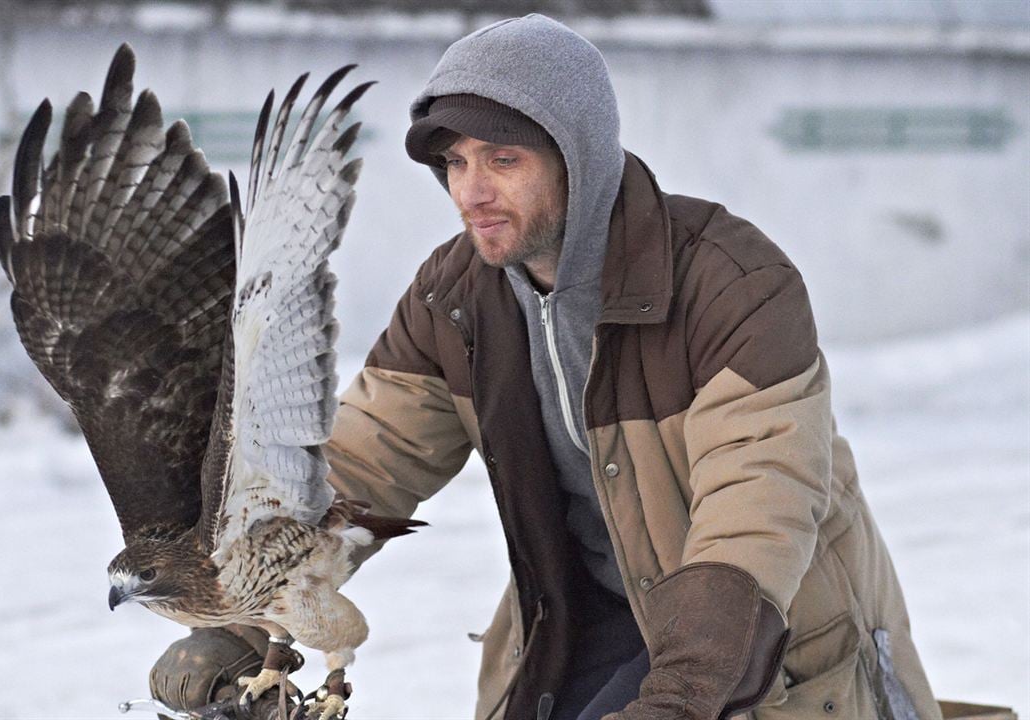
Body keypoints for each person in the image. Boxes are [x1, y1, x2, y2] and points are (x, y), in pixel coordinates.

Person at [150, 14, 941, 720]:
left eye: (502, 159)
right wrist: (238, 620)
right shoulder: (453, 296)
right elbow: (359, 466)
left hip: (753, 636)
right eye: (455, 163)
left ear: (579, 158)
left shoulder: (729, 282)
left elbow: (754, 513)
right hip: (578, 616)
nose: (471, 191)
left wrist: (677, 700)